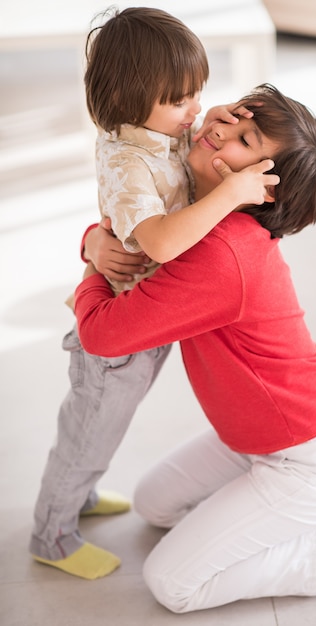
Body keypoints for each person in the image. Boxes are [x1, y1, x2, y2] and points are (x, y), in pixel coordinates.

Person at [75, 84, 316, 613]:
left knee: (172, 585)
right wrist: (94, 239)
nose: (218, 129)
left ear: (259, 186)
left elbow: (102, 333)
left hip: (310, 458)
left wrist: (92, 262)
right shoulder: (195, 211)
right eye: (236, 117)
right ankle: (295, 515)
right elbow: (135, 229)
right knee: (154, 505)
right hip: (257, 437)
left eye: (245, 139)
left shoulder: (224, 254)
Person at [29, 7, 277, 581]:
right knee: (88, 432)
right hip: (118, 333)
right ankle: (52, 534)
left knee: (101, 429)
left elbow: (200, 134)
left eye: (198, 94)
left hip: (146, 322)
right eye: (181, 99)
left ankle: (80, 495)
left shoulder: (164, 129)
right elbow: (162, 243)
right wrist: (233, 191)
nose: (197, 111)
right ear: (128, 96)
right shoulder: (127, 160)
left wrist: (215, 116)